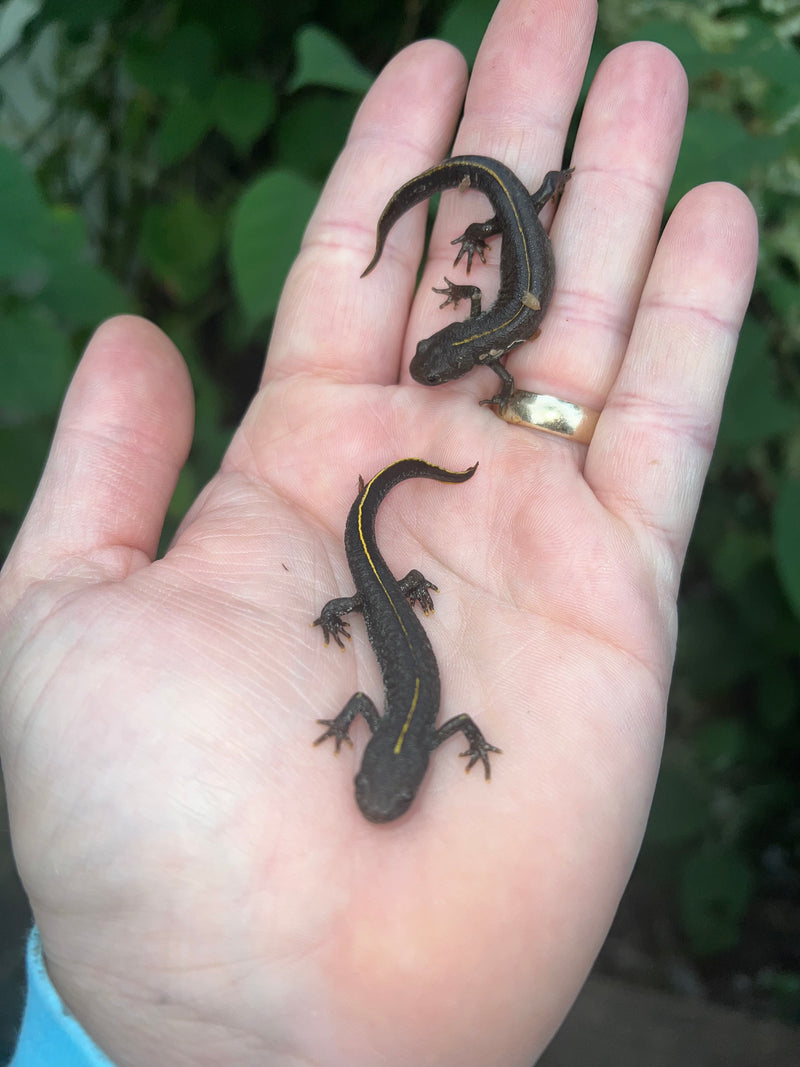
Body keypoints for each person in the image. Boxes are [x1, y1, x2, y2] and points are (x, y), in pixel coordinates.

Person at [1, 0, 758, 1064]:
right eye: (383, 786)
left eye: (374, 784)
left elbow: (389, 699)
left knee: (380, 592)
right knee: (381, 587)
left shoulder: (406, 720)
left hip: (390, 580)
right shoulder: (407, 723)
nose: (380, 787)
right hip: (389, 583)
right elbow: (401, 706)